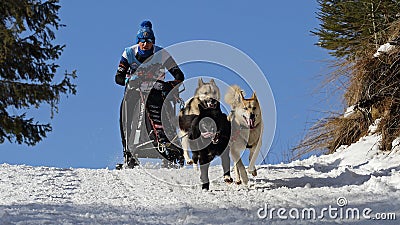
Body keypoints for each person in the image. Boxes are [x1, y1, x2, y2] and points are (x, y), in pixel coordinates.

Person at [115, 20, 185, 167]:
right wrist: (128, 80)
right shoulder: (129, 53)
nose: (145, 44)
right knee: (125, 115)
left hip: (156, 90)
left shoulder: (162, 53)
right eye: (142, 41)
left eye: (149, 41)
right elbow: (118, 77)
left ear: (153, 42)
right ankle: (128, 152)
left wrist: (171, 84)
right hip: (134, 90)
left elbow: (179, 74)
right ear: (138, 41)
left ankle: (170, 146)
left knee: (163, 110)